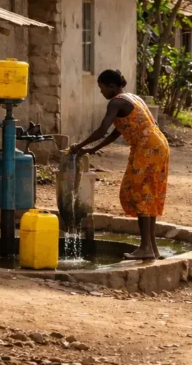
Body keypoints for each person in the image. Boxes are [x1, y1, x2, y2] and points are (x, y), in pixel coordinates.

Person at [71, 70, 170, 260]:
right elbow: (117, 131)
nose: (101, 92)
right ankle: (152, 248)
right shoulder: (132, 97)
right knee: (148, 194)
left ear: (111, 86)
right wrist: (93, 149)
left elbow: (102, 130)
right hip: (158, 144)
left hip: (146, 147)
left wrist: (79, 146)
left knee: (140, 193)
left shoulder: (116, 102)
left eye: (101, 88)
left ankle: (145, 248)